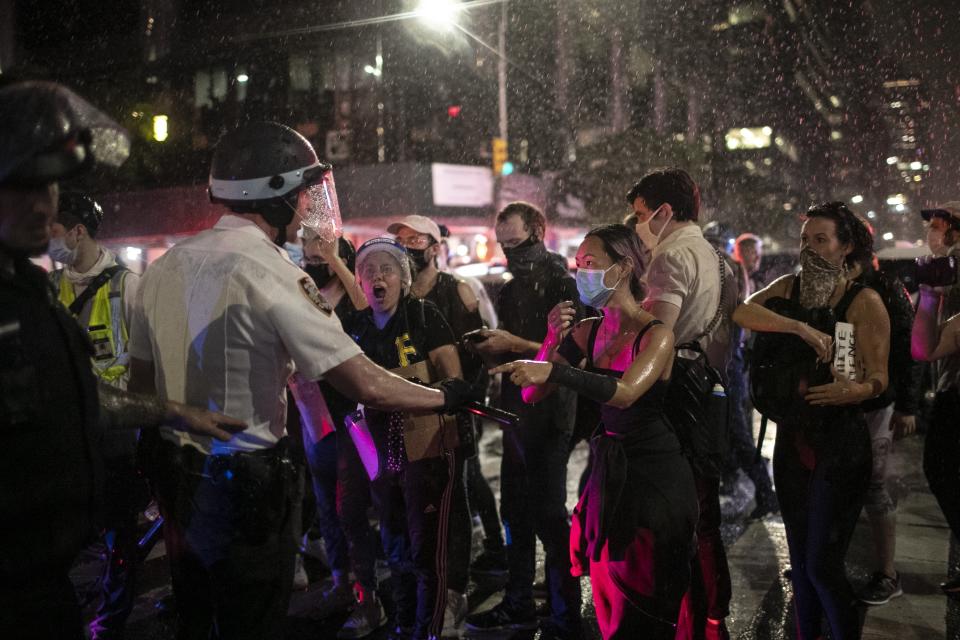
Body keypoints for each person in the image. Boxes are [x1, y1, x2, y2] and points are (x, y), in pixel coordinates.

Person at [127, 122, 476, 640]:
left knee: (198, 619)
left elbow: (141, 390)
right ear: (275, 194)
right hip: (245, 487)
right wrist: (445, 394)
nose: (308, 205)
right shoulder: (273, 273)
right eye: (301, 193)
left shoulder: (163, 267)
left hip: (181, 484)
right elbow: (366, 383)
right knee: (253, 621)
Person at [0, 79, 247, 640]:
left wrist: (174, 412)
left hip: (43, 578)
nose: (46, 206)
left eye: (53, 188)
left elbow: (80, 397)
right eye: (25, 186)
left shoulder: (29, 289)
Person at [493, 224, 698, 639]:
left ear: (623, 268)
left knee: (646, 602)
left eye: (591, 263)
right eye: (579, 263)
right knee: (608, 596)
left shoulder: (655, 333)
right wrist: (551, 341)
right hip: (610, 471)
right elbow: (533, 394)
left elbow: (623, 394)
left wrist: (558, 370)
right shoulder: (588, 330)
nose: (581, 271)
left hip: (654, 475)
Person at [733, 201, 890, 639]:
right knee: (800, 563)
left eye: (821, 240)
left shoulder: (865, 301)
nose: (809, 249)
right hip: (791, 439)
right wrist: (798, 328)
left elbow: (879, 378)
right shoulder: (788, 287)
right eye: (805, 239)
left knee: (822, 563)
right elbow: (740, 312)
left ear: (846, 248)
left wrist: (852, 390)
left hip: (840, 442)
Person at [627, 169, 737, 640]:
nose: (637, 224)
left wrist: (619, 305)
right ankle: (712, 613)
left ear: (663, 211)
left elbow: (659, 333)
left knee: (676, 515)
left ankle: (681, 618)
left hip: (674, 391)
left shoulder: (670, 255)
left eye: (639, 214)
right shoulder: (708, 251)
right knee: (702, 513)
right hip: (702, 382)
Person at [466, 201, 583, 640]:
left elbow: (568, 355)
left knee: (550, 514)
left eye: (515, 242)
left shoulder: (561, 283)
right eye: (503, 245)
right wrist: (490, 348)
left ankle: (564, 613)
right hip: (515, 411)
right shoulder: (511, 286)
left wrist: (514, 342)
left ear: (537, 231)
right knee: (513, 507)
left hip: (551, 412)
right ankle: (518, 602)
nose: (509, 251)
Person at [343, 236, 466, 640]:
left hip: (426, 445)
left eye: (387, 270)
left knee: (426, 546)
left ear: (404, 278)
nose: (378, 278)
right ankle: (402, 621)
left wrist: (402, 389)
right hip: (379, 449)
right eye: (369, 272)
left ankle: (430, 627)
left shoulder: (424, 315)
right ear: (359, 282)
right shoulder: (356, 326)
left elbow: (454, 380)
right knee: (393, 541)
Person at [47, 191, 150, 639]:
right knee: (62, 536)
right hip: (72, 433)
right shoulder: (51, 288)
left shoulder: (128, 285)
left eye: (55, 231)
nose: (48, 240)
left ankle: (109, 623)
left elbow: (147, 362)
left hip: (117, 434)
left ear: (78, 231)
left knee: (119, 539)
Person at [388, 214, 497, 634]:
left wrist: (465, 397)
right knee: (414, 507)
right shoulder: (394, 295)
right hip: (408, 417)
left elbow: (482, 349)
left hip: (453, 411)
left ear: (434, 247)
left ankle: (454, 591)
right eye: (400, 240)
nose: (407, 247)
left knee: (458, 497)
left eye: (416, 240)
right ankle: (422, 589)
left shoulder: (460, 290)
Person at [848, 246, 920, 606]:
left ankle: (888, 574)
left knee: (874, 487)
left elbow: (907, 348)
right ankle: (828, 559)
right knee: (839, 484)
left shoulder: (886, 289)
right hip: (843, 402)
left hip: (876, 402)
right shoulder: (832, 284)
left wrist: (907, 405)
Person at [912, 202, 960, 596]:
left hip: (955, 393)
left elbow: (925, 346)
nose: (932, 232)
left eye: (939, 226)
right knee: (942, 471)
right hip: (947, 386)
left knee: (942, 469)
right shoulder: (941, 271)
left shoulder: (953, 267)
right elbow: (923, 347)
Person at [727, 232, 779, 519]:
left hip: (734, 371)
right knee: (737, 434)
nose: (756, 259)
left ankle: (764, 489)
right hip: (734, 370)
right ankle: (760, 487)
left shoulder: (746, 288)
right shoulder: (740, 281)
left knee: (739, 435)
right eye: (751, 253)